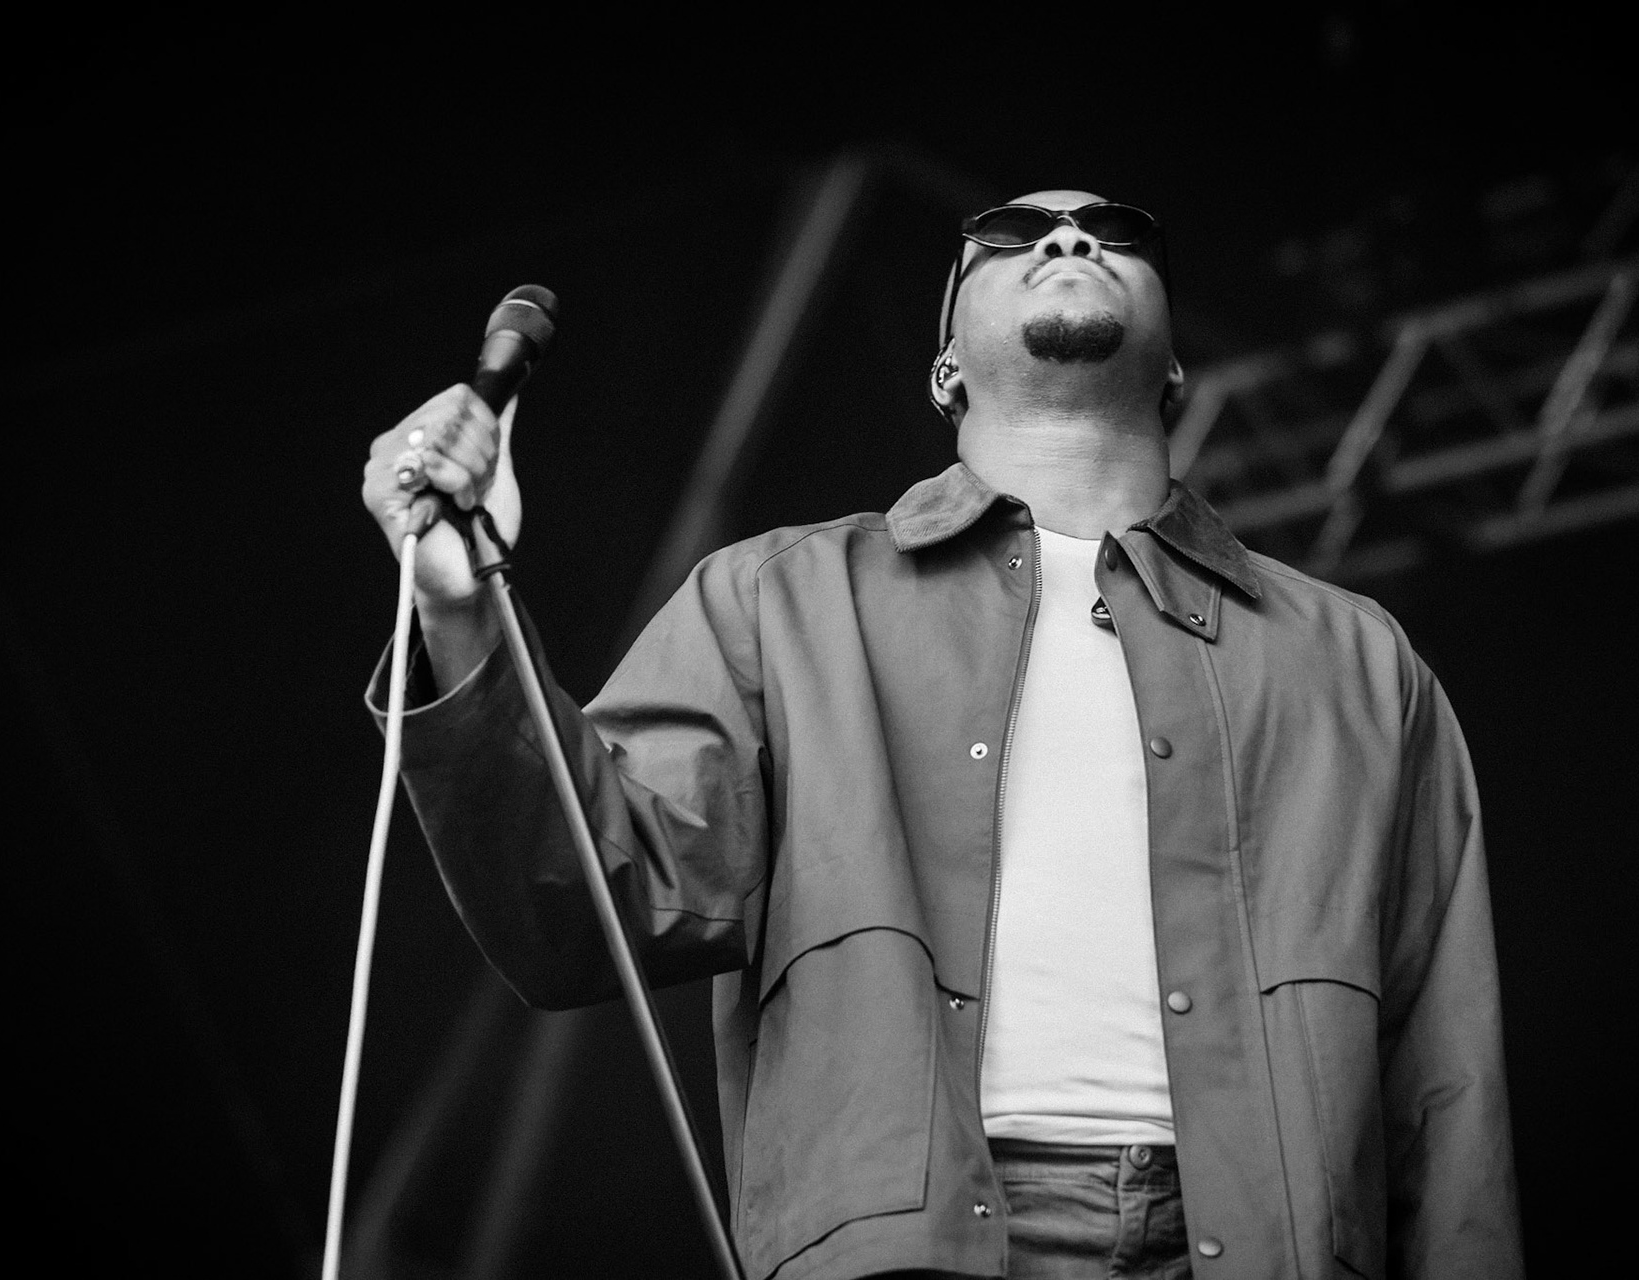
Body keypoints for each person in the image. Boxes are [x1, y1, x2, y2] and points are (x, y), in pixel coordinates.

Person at [360, 190, 1523, 1279]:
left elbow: (1449, 1082)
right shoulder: (783, 603)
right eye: (1012, 233)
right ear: (947, 362)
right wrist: (462, 603)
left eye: (1115, 229)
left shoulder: (1356, 659)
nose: (1069, 239)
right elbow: (577, 903)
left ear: (1174, 363)